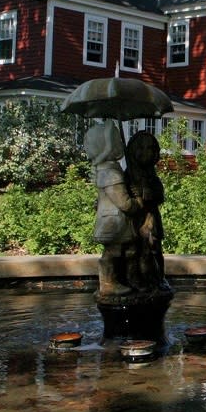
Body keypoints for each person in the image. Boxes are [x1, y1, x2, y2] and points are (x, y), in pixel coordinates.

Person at [84, 120, 141, 297]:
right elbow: (123, 202)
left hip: (113, 220)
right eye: (117, 142)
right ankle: (108, 283)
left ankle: (126, 278)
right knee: (113, 252)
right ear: (108, 147)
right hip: (114, 222)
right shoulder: (111, 173)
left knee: (128, 250)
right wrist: (137, 202)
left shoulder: (106, 169)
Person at [124, 130, 167, 290]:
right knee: (134, 250)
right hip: (135, 219)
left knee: (154, 248)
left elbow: (159, 195)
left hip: (151, 218)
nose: (147, 153)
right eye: (142, 148)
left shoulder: (151, 176)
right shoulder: (129, 174)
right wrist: (132, 191)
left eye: (150, 149)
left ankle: (158, 279)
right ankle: (135, 280)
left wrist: (145, 191)